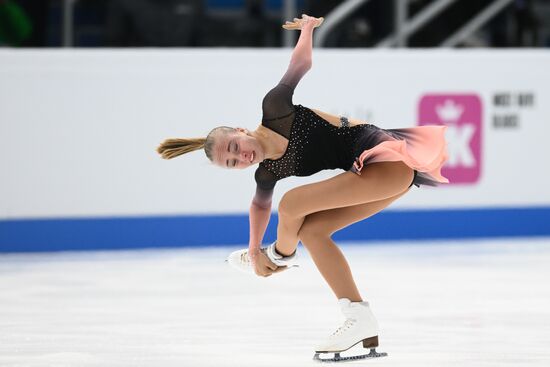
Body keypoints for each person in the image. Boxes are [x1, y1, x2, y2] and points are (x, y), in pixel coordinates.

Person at [157, 14, 448, 362]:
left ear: (240, 130)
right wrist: (253, 251)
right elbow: (258, 207)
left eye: (234, 147)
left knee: (293, 201)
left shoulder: (275, 110)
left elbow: (301, 63)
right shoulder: (267, 172)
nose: (241, 157)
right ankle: (358, 318)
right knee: (314, 231)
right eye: (232, 163)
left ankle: (280, 255)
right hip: (384, 178)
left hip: (386, 160)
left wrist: (308, 30)